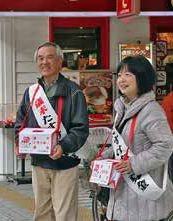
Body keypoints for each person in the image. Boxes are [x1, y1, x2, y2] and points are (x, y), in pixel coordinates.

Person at [15, 42, 89, 221]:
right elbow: (21, 122)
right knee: (42, 213)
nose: (44, 62)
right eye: (40, 58)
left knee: (64, 214)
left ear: (59, 61)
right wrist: (20, 143)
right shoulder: (31, 92)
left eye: (49, 57)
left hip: (64, 162)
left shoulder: (73, 92)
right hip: (39, 162)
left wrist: (63, 146)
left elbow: (81, 128)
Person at [100, 55, 173, 221]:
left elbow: (165, 145)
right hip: (125, 194)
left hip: (145, 198)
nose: (121, 80)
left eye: (128, 75)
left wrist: (134, 163)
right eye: (119, 75)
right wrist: (103, 158)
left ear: (142, 77)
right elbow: (124, 145)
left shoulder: (151, 110)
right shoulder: (123, 108)